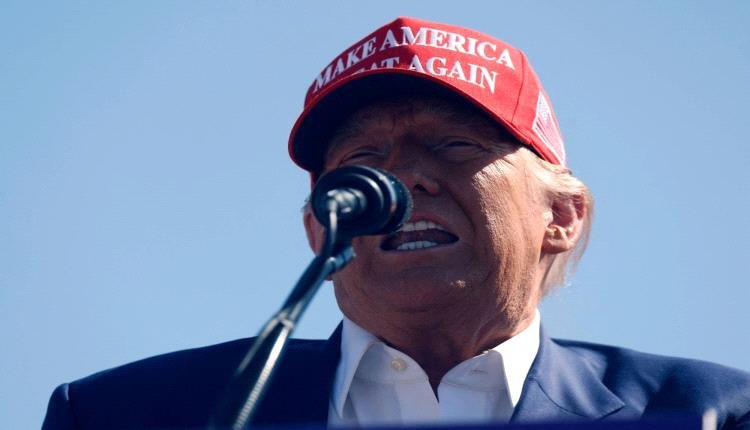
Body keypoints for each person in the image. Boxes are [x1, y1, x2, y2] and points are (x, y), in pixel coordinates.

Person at [42, 16, 750, 430]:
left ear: (560, 215)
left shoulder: (711, 414)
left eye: (454, 144)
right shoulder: (119, 414)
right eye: (362, 159)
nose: (404, 178)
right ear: (321, 231)